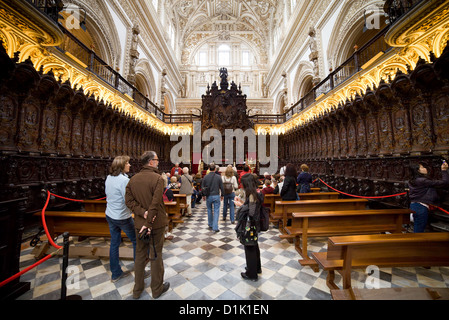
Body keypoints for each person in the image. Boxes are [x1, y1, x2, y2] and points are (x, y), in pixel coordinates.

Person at [125, 151, 170, 299]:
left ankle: (137, 290)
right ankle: (157, 289)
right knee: (156, 255)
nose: (158, 162)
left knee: (139, 256)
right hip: (155, 224)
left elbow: (129, 201)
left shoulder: (133, 179)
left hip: (139, 223)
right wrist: (149, 222)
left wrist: (142, 213)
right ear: (151, 162)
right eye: (157, 160)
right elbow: (155, 203)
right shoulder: (157, 179)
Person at [105, 155, 137, 282]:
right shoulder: (123, 180)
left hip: (110, 214)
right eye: (127, 163)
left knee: (114, 243)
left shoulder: (109, 177)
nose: (130, 165)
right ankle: (140, 271)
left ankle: (116, 273)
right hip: (122, 216)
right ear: (121, 166)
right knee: (137, 241)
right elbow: (128, 200)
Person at [234, 173, 262, 281]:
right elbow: (251, 206)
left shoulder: (252, 195)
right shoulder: (254, 192)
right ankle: (256, 268)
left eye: (243, 184)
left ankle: (251, 274)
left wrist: (240, 206)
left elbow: (251, 212)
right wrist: (242, 203)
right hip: (254, 225)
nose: (242, 186)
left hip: (250, 225)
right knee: (254, 246)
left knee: (249, 247)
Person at [408, 160, 449, 233]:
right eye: (422, 167)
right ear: (417, 170)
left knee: (418, 227)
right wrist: (444, 170)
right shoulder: (421, 181)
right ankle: (416, 244)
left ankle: (415, 243)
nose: (425, 168)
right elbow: (444, 183)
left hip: (415, 205)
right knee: (419, 230)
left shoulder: (413, 180)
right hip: (421, 207)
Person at [202, 163, 224, 232]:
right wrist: (222, 195)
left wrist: (203, 195)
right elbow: (222, 187)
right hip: (216, 195)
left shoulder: (205, 177)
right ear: (215, 169)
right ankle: (215, 227)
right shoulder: (218, 177)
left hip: (208, 196)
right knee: (216, 211)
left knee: (209, 210)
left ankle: (210, 224)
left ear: (209, 169)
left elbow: (202, 187)